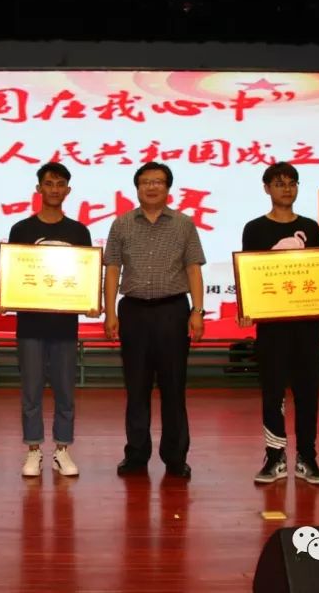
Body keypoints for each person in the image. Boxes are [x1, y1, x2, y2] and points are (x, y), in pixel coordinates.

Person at [104, 162, 206, 479]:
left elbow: (193, 268)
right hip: (133, 311)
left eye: (158, 182)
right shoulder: (121, 224)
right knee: (136, 387)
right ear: (137, 188)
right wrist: (110, 312)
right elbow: (112, 269)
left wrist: (197, 311)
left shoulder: (184, 224)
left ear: (168, 188)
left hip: (172, 311)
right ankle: (136, 454)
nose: (152, 187)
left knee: (174, 387)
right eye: (145, 182)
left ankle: (176, 457)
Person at [0, 162, 95, 478]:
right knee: (31, 390)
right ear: (38, 189)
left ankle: (62, 450)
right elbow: (11, 272)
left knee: (65, 391)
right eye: (48, 183)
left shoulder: (79, 232)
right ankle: (34, 450)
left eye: (60, 184)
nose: (54, 189)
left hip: (65, 326)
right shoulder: (21, 229)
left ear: (68, 190)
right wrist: (2, 297)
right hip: (30, 325)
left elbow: (87, 275)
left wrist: (92, 302)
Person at [239, 162, 319, 486]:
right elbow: (250, 273)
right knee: (273, 393)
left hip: (306, 325)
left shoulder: (310, 227)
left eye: (292, 183)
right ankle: (275, 456)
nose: (286, 189)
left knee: (308, 392)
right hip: (272, 326)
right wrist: (248, 307)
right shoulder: (255, 228)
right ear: (266, 188)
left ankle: (307, 457)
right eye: (279, 183)